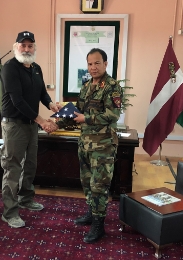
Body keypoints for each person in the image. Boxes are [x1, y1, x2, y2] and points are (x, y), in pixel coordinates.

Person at [48, 48, 122, 243]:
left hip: (103, 146)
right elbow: (76, 112)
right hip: (86, 144)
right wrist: (56, 121)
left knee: (99, 186)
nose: (93, 67)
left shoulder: (112, 87)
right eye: (90, 64)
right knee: (87, 182)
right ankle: (91, 213)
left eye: (97, 63)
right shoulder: (86, 86)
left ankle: (99, 225)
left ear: (106, 64)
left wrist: (86, 118)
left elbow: (113, 115)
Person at [0, 30, 60, 228]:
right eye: (23, 45)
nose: (26, 49)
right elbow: (17, 101)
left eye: (30, 45)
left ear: (34, 47)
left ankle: (26, 198)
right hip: (14, 125)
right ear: (16, 46)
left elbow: (42, 92)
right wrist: (42, 121)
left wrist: (51, 104)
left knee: (30, 164)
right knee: (13, 168)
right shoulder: (9, 68)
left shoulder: (36, 68)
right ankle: (9, 212)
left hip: (31, 125)